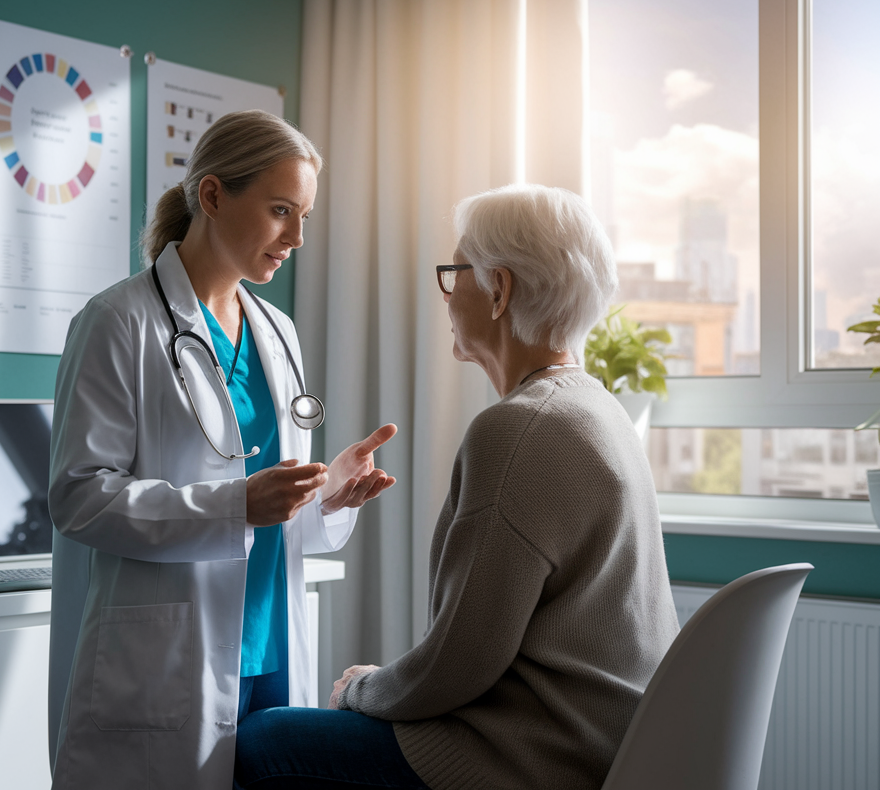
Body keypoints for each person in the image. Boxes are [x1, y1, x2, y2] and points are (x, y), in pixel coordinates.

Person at [234, 184, 679, 790]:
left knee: (261, 742)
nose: (447, 292)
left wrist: (362, 688)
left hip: (531, 759)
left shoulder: (521, 429)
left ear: (500, 290)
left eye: (455, 272)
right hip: (595, 743)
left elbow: (459, 665)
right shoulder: (596, 409)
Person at [48, 110, 398, 790]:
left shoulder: (279, 331)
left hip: (268, 644)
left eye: (304, 216)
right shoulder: (118, 321)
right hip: (167, 657)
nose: (296, 237)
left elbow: (271, 508)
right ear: (212, 197)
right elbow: (80, 496)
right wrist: (235, 504)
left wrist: (327, 495)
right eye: (278, 211)